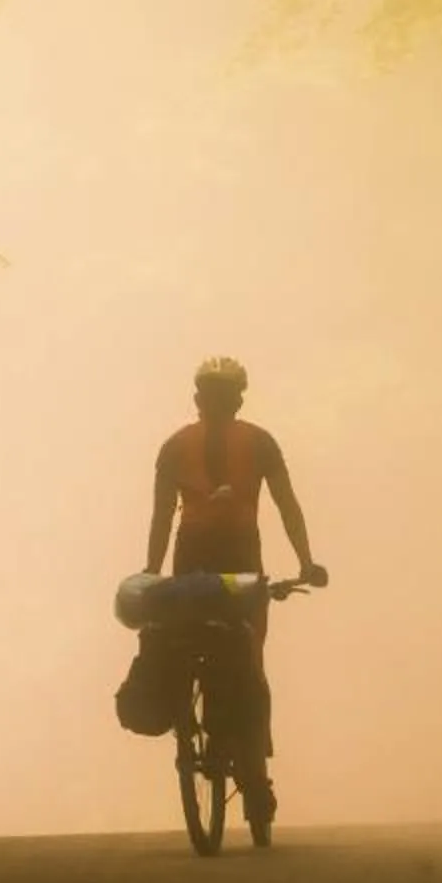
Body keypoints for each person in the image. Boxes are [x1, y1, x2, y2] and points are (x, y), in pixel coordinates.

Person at [141, 356, 324, 832]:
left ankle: (189, 723)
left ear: (197, 399)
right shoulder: (260, 442)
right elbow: (287, 505)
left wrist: (151, 572)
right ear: (239, 398)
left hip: (189, 567)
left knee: (184, 645)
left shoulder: (175, 446)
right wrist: (306, 562)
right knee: (248, 664)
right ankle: (256, 780)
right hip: (243, 564)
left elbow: (162, 515)